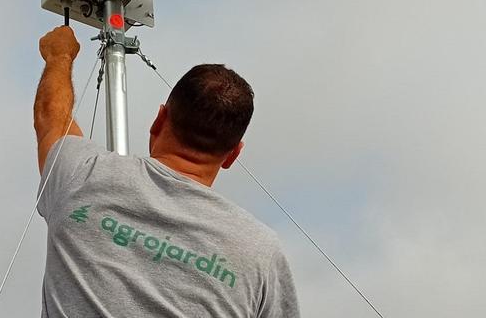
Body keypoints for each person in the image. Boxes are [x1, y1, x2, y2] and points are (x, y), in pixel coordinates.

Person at [34, 26, 299, 318]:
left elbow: (51, 119)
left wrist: (59, 56)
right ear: (233, 155)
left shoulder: (82, 174)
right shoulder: (260, 251)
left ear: (159, 120)